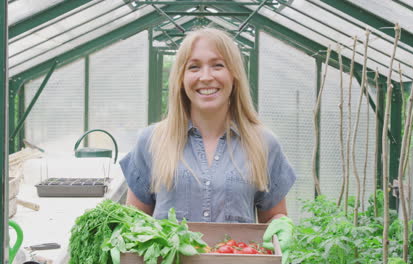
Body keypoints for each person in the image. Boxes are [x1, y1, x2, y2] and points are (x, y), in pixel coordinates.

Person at [120, 27, 296, 263]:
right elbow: (135, 220)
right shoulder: (152, 141)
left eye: (217, 65)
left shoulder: (263, 143)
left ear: (234, 75)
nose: (205, 77)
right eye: (194, 67)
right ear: (181, 79)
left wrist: (281, 225)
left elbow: (273, 217)